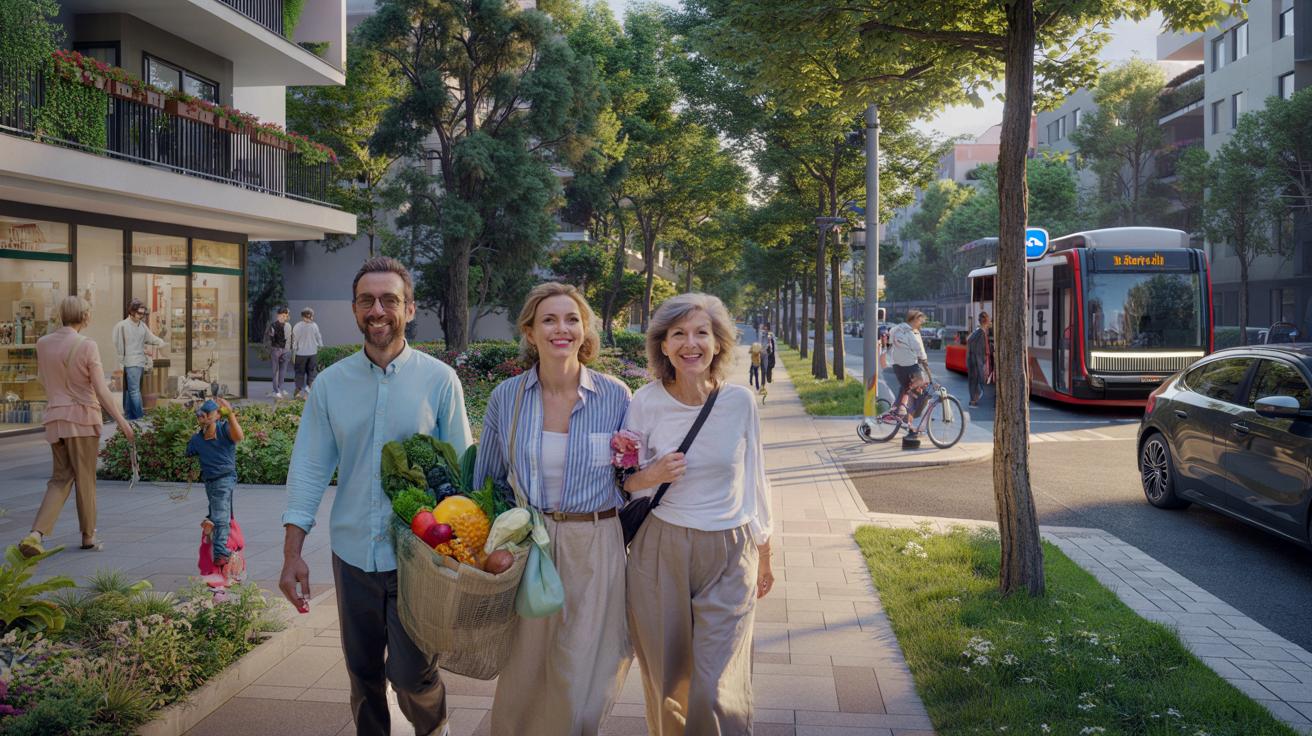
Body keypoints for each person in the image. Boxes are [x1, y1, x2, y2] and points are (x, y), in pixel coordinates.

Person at [280, 257, 472, 736]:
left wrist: (467, 556)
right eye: (367, 300)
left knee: (412, 675)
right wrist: (292, 554)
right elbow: (308, 468)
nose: (378, 310)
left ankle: (434, 730)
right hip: (353, 555)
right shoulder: (330, 385)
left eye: (389, 300)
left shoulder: (439, 381)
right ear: (354, 309)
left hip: (418, 556)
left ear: (409, 309)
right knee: (362, 676)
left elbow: (462, 472)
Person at [473, 282, 632, 736]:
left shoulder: (616, 396)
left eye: (571, 319)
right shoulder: (508, 397)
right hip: (532, 545)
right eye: (549, 320)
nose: (561, 329)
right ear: (529, 331)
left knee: (585, 665)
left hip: (596, 541)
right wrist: (487, 548)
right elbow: (487, 480)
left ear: (584, 330)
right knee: (525, 666)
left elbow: (632, 478)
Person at [623, 292, 774, 735]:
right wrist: (651, 474)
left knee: (714, 688)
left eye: (701, 333)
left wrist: (766, 550)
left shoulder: (740, 401)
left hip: (730, 550)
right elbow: (623, 481)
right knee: (668, 681)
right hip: (661, 549)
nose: (691, 343)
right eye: (678, 334)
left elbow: (756, 477)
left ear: (718, 342)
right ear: (663, 345)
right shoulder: (645, 402)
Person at [19, 296, 135, 558]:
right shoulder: (87, 345)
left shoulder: (43, 343)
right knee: (85, 478)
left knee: (60, 478)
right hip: (83, 419)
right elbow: (101, 390)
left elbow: (44, 379)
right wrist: (122, 421)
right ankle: (88, 536)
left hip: (55, 419)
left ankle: (35, 534)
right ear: (85, 316)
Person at [186, 397, 244, 570]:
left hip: (225, 478)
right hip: (209, 481)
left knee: (221, 515)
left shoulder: (224, 429)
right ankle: (210, 530)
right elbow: (188, 453)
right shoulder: (198, 439)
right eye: (200, 415)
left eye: (208, 413)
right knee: (219, 512)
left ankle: (220, 552)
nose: (203, 417)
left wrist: (230, 414)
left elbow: (239, 436)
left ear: (218, 415)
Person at [112, 297, 165, 421]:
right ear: (131, 311)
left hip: (139, 362)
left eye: (143, 314)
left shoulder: (142, 326)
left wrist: (161, 342)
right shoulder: (122, 326)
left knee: (131, 390)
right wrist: (121, 361)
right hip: (130, 361)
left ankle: (131, 416)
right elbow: (118, 344)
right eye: (139, 313)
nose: (141, 316)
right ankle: (138, 417)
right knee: (133, 391)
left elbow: (151, 338)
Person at [885, 310, 932, 438]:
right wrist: (926, 365)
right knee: (921, 394)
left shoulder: (895, 329)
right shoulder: (912, 333)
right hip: (910, 366)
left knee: (906, 388)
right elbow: (920, 351)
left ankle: (896, 411)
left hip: (896, 365)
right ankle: (910, 421)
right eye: (920, 321)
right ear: (914, 319)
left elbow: (889, 344)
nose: (921, 324)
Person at [291, 306, 323, 399]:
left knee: (301, 373)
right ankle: (305, 393)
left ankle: (300, 392)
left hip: (302, 354)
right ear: (304, 316)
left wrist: (294, 350)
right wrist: (321, 346)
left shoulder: (298, 326)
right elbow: (319, 337)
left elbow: (294, 340)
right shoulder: (314, 325)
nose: (310, 318)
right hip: (311, 353)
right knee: (310, 373)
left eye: (311, 316)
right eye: (309, 316)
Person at [966, 311, 993, 408]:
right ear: (986, 321)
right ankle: (973, 400)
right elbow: (979, 351)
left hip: (973, 361)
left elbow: (969, 341)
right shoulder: (981, 333)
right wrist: (982, 363)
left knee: (974, 380)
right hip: (976, 362)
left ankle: (973, 400)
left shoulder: (977, 331)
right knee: (976, 380)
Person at [265, 306, 292, 398]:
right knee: (275, 371)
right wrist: (270, 349)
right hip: (276, 350)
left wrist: (289, 350)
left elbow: (290, 338)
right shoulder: (273, 326)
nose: (284, 317)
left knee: (283, 371)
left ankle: (280, 388)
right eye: (282, 315)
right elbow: (268, 338)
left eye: (286, 316)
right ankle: (276, 390)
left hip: (286, 350)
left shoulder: (288, 326)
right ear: (278, 315)